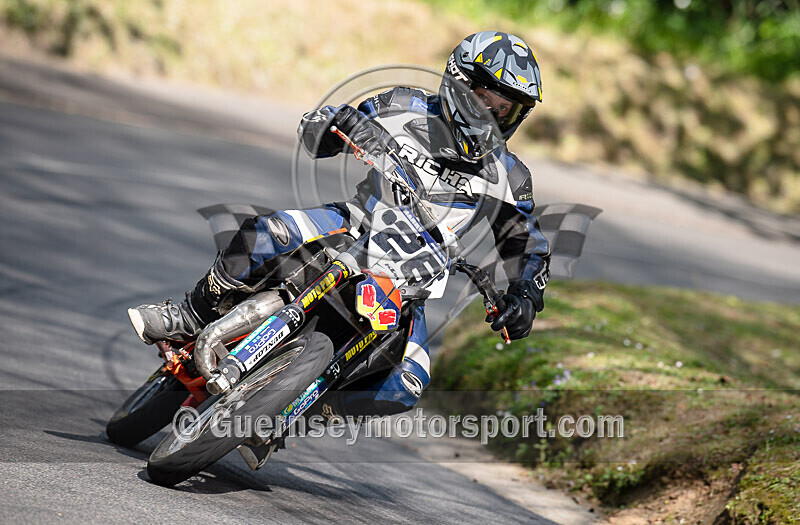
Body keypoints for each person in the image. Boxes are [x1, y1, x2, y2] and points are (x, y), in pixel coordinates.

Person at [128, 30, 550, 418]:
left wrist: (525, 296)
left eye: (504, 108)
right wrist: (336, 125)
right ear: (458, 82)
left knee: (407, 386)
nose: (492, 114)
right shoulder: (402, 105)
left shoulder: (510, 177)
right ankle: (190, 313)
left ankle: (307, 405)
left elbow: (527, 243)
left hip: (412, 283)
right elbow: (318, 134)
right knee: (267, 233)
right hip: (351, 225)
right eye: (484, 98)